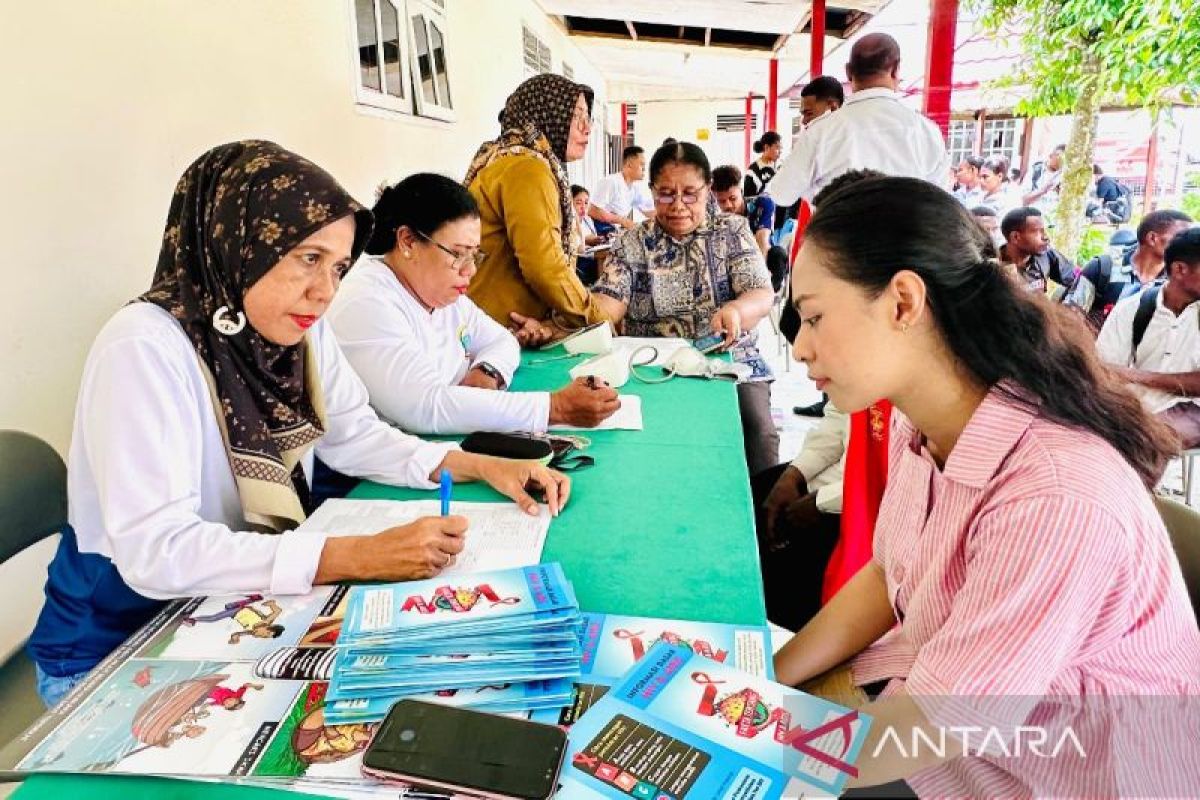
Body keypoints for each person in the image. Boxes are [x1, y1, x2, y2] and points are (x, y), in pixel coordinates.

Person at [26, 142, 571, 708]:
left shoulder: (298, 331)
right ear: (239, 243)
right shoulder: (144, 345)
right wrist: (356, 555)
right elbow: (158, 550)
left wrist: (479, 464)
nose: (325, 291)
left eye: (337, 268)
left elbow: (354, 434)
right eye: (308, 259)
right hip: (121, 646)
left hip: (234, 611)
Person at [775, 173, 1199, 795]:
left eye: (813, 317)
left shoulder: (1052, 497)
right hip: (946, 733)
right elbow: (887, 573)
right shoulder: (924, 425)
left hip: (1058, 776)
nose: (801, 348)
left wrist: (738, 736)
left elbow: (935, 725)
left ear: (903, 302)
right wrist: (767, 680)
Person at [326, 173, 620, 435]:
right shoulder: (366, 300)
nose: (470, 270)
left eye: (474, 254)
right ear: (408, 241)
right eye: (458, 254)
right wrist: (555, 408)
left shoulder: (442, 296)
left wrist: (487, 372)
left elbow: (503, 341)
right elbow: (425, 406)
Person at [591, 142, 779, 474]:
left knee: (758, 433)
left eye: (690, 194)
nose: (678, 205)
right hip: (651, 367)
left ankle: (764, 506)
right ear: (651, 191)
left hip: (728, 361)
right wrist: (560, 321)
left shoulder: (731, 231)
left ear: (707, 190)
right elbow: (608, 303)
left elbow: (761, 293)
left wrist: (736, 310)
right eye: (665, 195)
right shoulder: (633, 242)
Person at [464, 74, 615, 340]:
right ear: (546, 115)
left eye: (588, 117)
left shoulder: (510, 158)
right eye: (576, 115)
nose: (586, 128)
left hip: (499, 327)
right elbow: (545, 267)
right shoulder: (528, 169)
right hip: (496, 333)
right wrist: (598, 321)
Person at [767, 33, 951, 207]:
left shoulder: (820, 132)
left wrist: (815, 192)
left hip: (837, 228)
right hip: (907, 230)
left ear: (848, 72)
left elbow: (781, 194)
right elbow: (939, 202)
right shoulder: (927, 132)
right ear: (896, 69)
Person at [1097, 227, 1200, 448]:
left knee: (1142, 438)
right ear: (1180, 269)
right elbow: (1105, 369)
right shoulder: (1132, 309)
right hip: (1136, 406)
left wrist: (1137, 376)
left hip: (1191, 410)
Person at [1064, 208, 1192, 332]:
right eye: (1180, 238)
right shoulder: (1103, 268)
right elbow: (1070, 319)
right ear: (1152, 238)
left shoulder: (1176, 282)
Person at [712, 165, 789, 292]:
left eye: (733, 198)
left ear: (741, 191)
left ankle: (770, 293)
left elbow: (762, 239)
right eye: (722, 201)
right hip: (734, 264)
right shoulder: (716, 218)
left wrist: (760, 276)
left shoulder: (763, 203)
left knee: (778, 253)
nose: (728, 205)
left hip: (763, 258)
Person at [998, 206, 1077, 298]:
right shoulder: (992, 267)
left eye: (1044, 231)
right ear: (1015, 237)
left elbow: (1078, 281)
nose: (1046, 237)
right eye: (1037, 232)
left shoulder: (1047, 255)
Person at [588, 145, 655, 235]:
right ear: (629, 164)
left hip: (615, 231)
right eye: (641, 164)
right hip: (599, 231)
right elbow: (592, 210)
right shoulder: (611, 182)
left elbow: (648, 211)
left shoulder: (634, 189)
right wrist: (622, 221)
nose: (644, 169)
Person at [571, 184, 604, 285]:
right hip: (579, 261)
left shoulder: (588, 220)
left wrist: (601, 239)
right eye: (578, 203)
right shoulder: (568, 223)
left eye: (586, 203)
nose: (583, 207)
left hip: (591, 255)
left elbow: (593, 237)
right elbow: (579, 248)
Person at [1022, 143, 1065, 216]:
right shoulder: (1035, 171)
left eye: (1064, 158)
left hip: (1054, 219)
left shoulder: (1065, 176)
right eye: (1059, 156)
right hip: (1034, 217)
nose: (1061, 160)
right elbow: (1024, 200)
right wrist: (1043, 190)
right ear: (1051, 155)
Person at [744, 131, 783, 198]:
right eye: (777, 147)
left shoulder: (781, 166)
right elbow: (748, 200)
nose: (780, 151)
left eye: (781, 148)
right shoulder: (753, 172)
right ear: (766, 147)